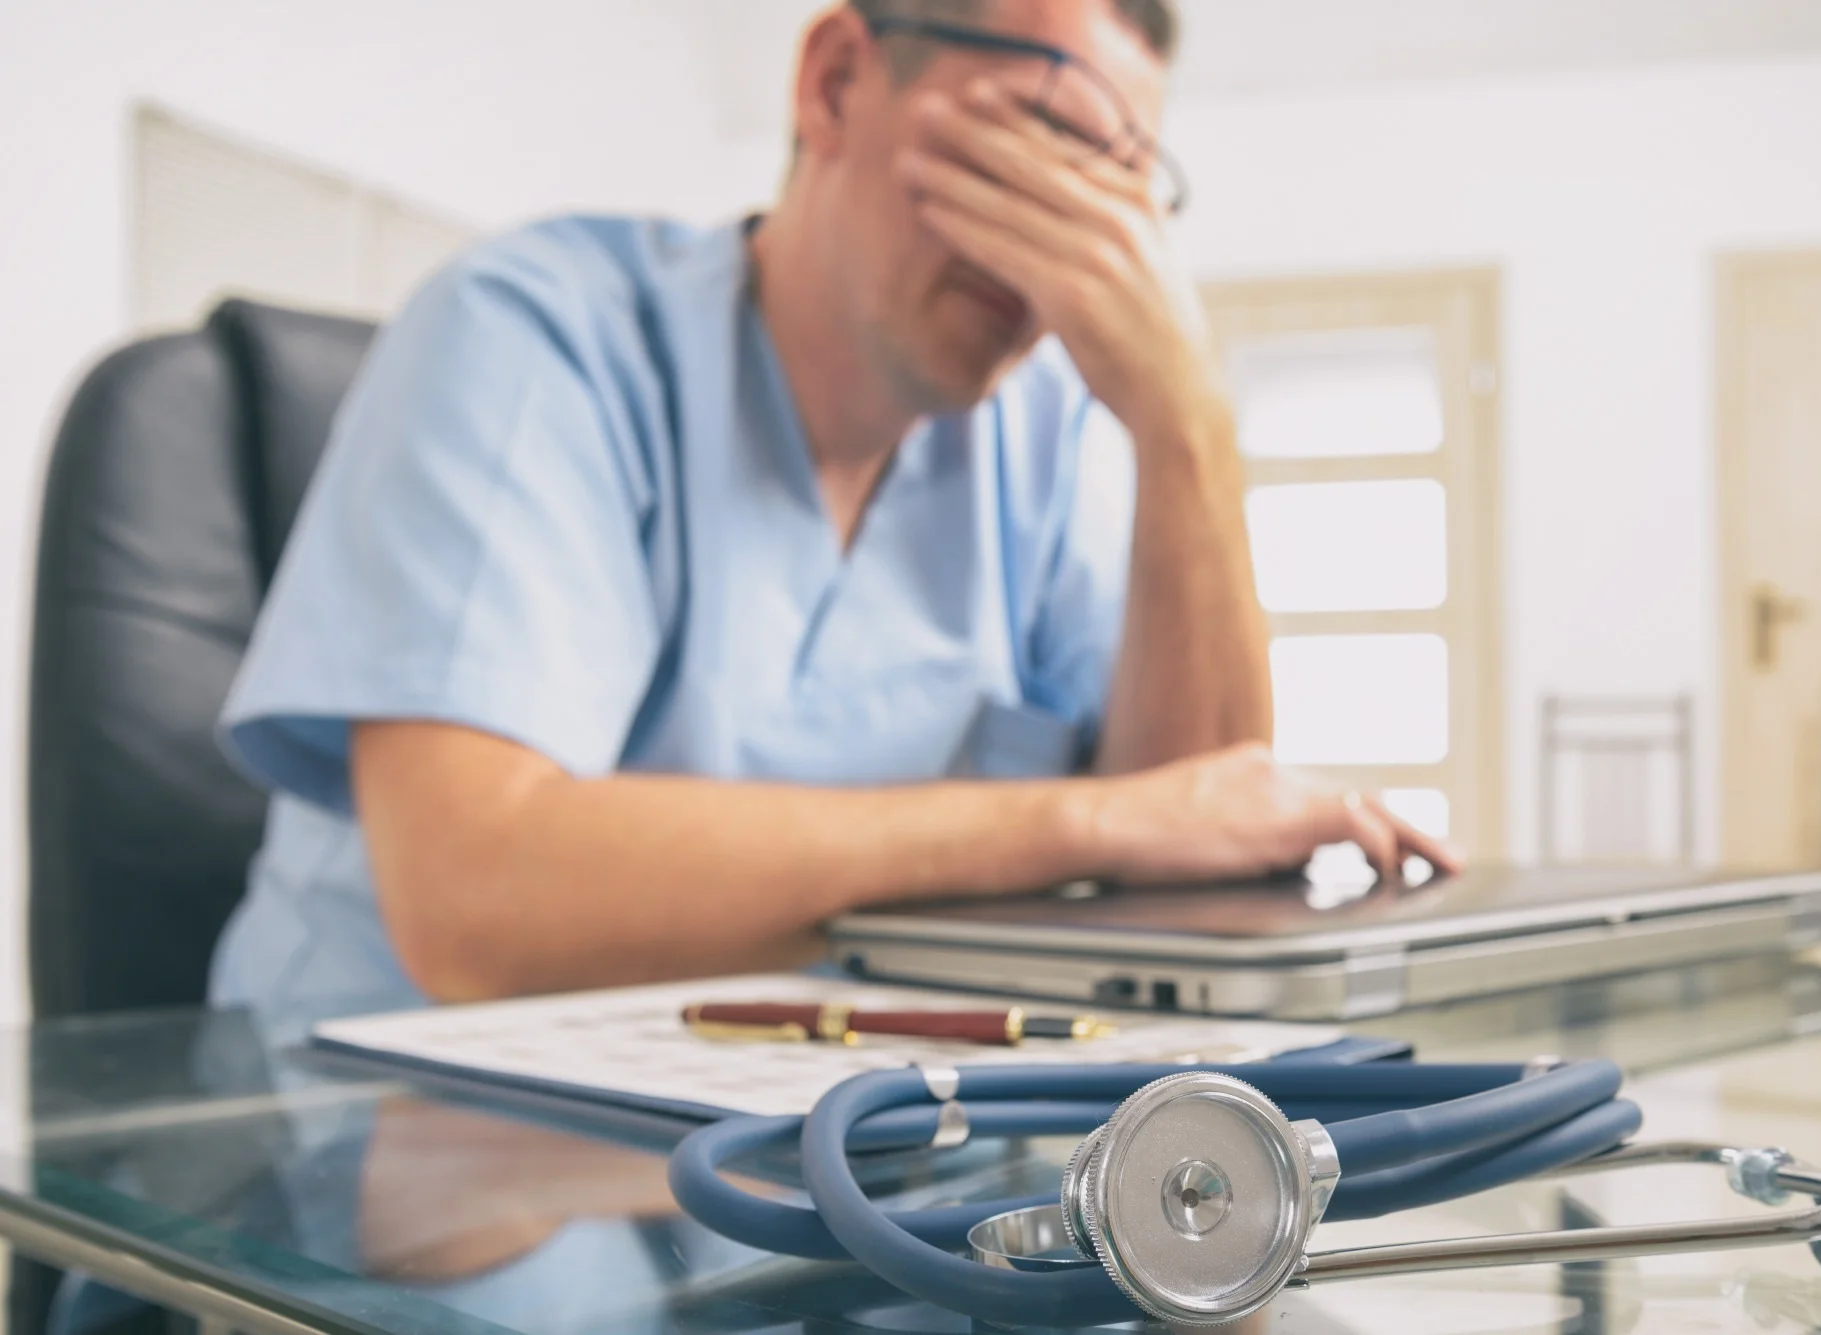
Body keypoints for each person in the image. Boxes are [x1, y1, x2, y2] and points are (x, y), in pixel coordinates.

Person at [210, 0, 1458, 1015]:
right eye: (1033, 149)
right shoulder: (535, 338)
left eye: (1120, 201)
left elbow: (1196, 875)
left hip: (812, 1122)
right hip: (382, 1150)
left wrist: (1188, 428)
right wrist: (1083, 823)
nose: (1072, 252)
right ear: (833, 82)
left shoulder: (1040, 442)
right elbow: (477, 907)